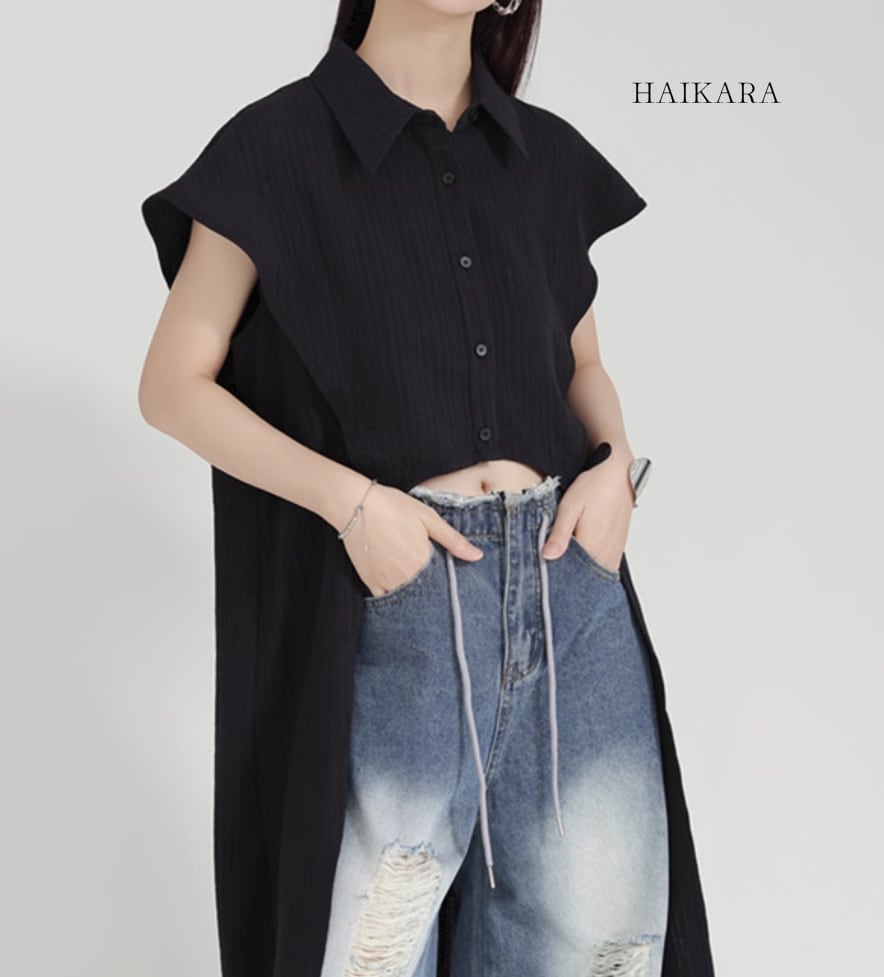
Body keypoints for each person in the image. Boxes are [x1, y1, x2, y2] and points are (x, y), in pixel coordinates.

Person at [139, 3, 716, 977]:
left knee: (599, 956)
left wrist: (616, 465)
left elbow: (582, 366)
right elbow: (171, 386)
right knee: (366, 954)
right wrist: (353, 505)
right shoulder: (274, 148)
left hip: (570, 597)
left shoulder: (544, 159)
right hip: (395, 603)